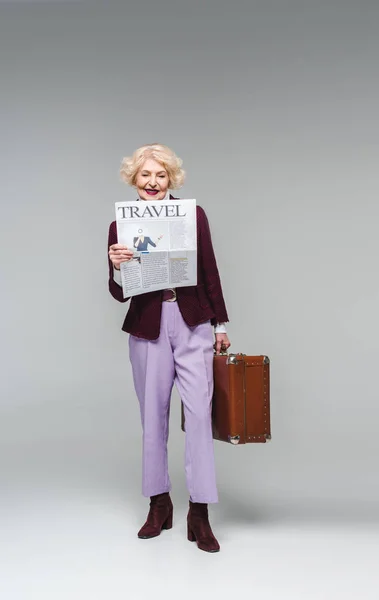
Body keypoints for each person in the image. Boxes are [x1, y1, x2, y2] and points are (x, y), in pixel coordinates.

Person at [107, 143, 230, 553]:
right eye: (145, 175)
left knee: (198, 417)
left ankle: (200, 512)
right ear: (134, 179)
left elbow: (209, 268)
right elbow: (117, 293)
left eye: (161, 175)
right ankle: (159, 503)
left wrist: (220, 324)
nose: (153, 182)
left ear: (171, 179)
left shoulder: (193, 215)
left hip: (192, 323)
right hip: (148, 328)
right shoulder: (119, 225)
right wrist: (117, 266)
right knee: (152, 419)